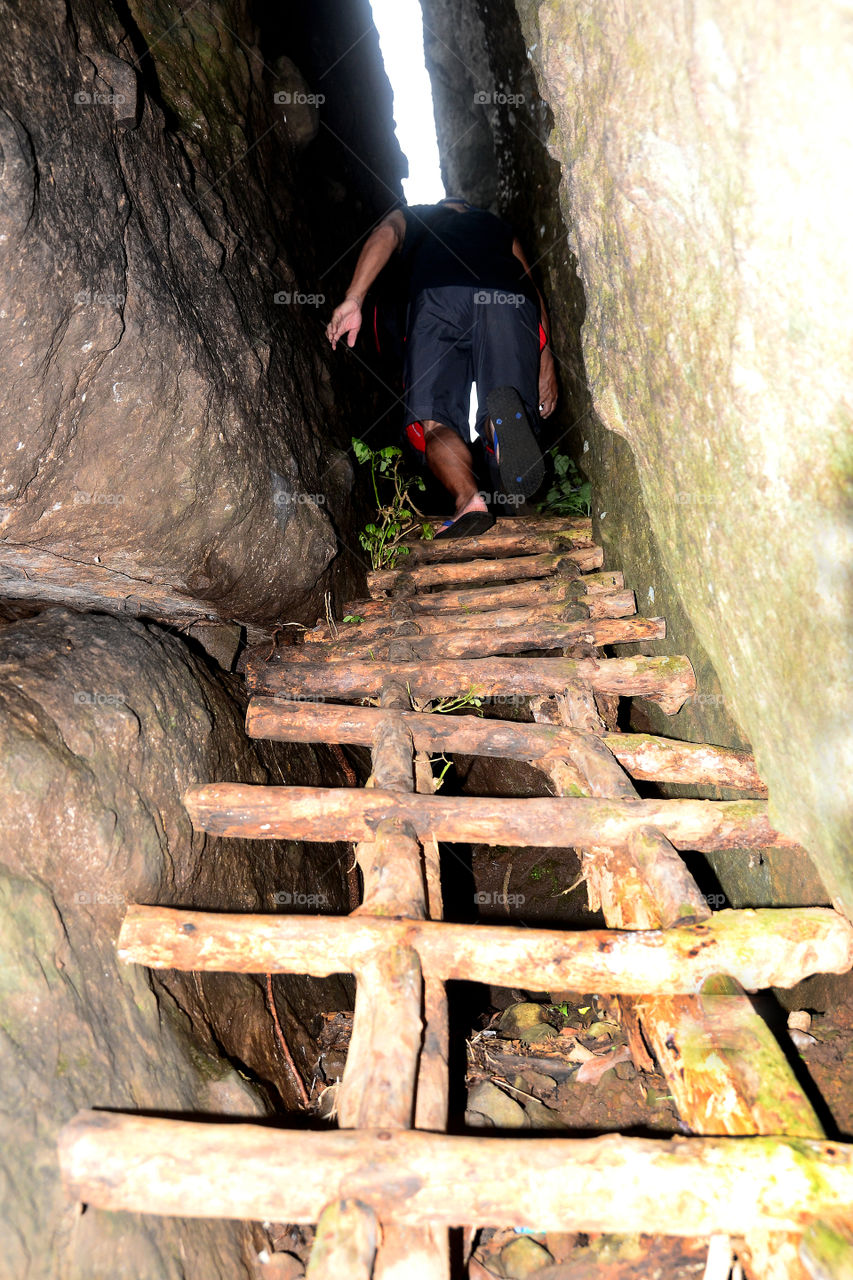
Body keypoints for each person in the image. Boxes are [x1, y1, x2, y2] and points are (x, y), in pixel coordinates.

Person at [326, 197, 558, 537]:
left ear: (444, 203)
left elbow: (386, 233)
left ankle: (469, 500)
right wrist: (546, 354)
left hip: (438, 294)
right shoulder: (495, 225)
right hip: (507, 296)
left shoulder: (419, 216)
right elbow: (530, 284)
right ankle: (501, 430)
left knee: (433, 424)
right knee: (508, 404)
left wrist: (355, 297)